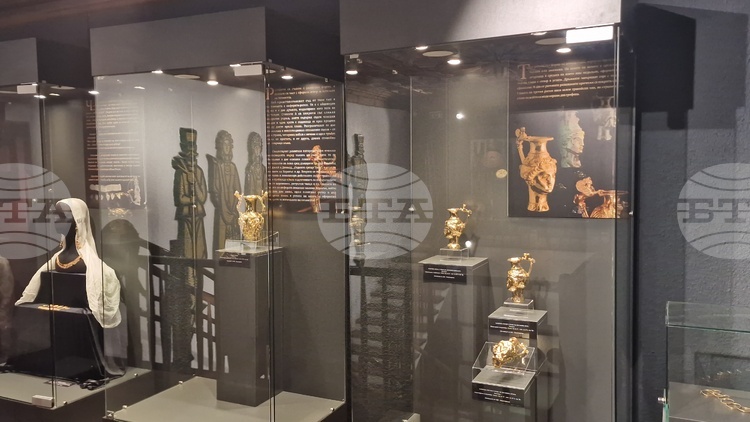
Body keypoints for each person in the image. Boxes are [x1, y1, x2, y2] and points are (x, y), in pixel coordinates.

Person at [207, 130, 241, 251]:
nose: (227, 148)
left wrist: (233, 206)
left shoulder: (233, 167)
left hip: (233, 209)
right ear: (220, 147)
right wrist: (223, 206)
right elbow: (215, 191)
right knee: (221, 242)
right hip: (221, 210)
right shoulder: (217, 167)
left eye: (229, 145)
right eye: (224, 145)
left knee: (234, 242)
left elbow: (238, 190)